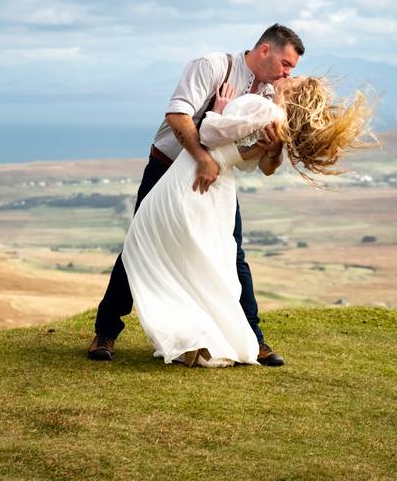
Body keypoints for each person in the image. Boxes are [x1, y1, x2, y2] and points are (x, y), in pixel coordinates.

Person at [88, 24, 304, 366]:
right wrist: (202, 158)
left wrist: (276, 147)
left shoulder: (268, 98)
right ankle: (105, 332)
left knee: (233, 255)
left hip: (216, 180)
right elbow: (177, 114)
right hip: (168, 168)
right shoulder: (213, 65)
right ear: (265, 50)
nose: (288, 73)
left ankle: (254, 340)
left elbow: (265, 165)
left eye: (291, 69)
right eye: (286, 64)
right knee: (140, 243)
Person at [123, 76, 373, 366]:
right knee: (206, 262)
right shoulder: (279, 125)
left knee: (145, 243)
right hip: (221, 189)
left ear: (294, 92)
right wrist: (263, 149)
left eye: (294, 78)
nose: (288, 77)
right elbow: (250, 162)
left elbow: (208, 135)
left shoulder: (261, 107)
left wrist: (219, 108)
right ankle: (201, 336)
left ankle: (193, 334)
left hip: (194, 177)